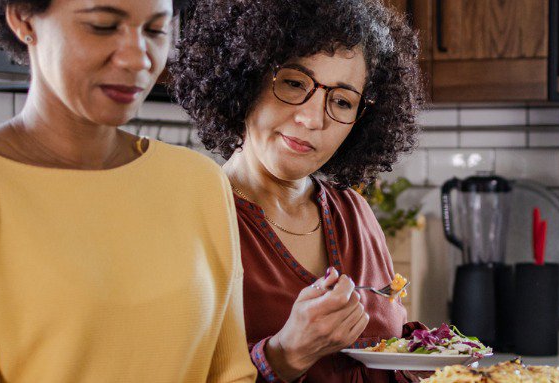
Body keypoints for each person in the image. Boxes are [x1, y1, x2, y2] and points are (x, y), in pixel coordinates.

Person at [0, 0, 255, 381]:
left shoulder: (198, 182)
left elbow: (231, 374)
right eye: (103, 26)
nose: (137, 58)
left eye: (155, 30)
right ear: (23, 18)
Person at [171, 0, 423, 381]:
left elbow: (392, 353)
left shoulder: (355, 213)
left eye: (341, 101)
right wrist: (284, 355)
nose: (312, 119)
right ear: (246, 77)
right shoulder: (195, 218)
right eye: (293, 83)